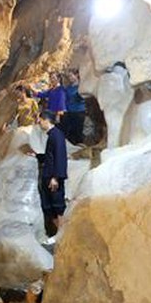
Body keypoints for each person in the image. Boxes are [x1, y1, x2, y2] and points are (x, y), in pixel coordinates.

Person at [37, 110, 68, 244]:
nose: (39, 123)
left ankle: (62, 234)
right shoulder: (52, 135)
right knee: (49, 206)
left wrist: (56, 177)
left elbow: (60, 157)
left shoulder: (57, 135)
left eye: (40, 120)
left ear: (46, 120)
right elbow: (50, 155)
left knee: (57, 206)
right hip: (48, 175)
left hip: (53, 178)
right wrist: (38, 156)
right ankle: (58, 233)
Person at [62, 70, 86, 144]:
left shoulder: (81, 87)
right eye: (69, 77)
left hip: (79, 112)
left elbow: (83, 97)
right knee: (71, 132)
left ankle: (79, 147)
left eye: (71, 76)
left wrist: (79, 97)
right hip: (69, 112)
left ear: (76, 75)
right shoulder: (69, 88)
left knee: (78, 131)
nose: (70, 78)